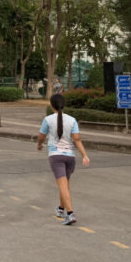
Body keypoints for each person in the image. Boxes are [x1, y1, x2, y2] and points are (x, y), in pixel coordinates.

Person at [35, 93, 90, 226]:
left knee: (63, 185)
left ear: (51, 105)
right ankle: (60, 209)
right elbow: (76, 139)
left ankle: (70, 213)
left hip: (56, 156)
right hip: (70, 157)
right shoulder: (72, 120)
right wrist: (84, 155)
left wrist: (39, 144)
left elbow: (41, 136)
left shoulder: (48, 120)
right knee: (65, 185)